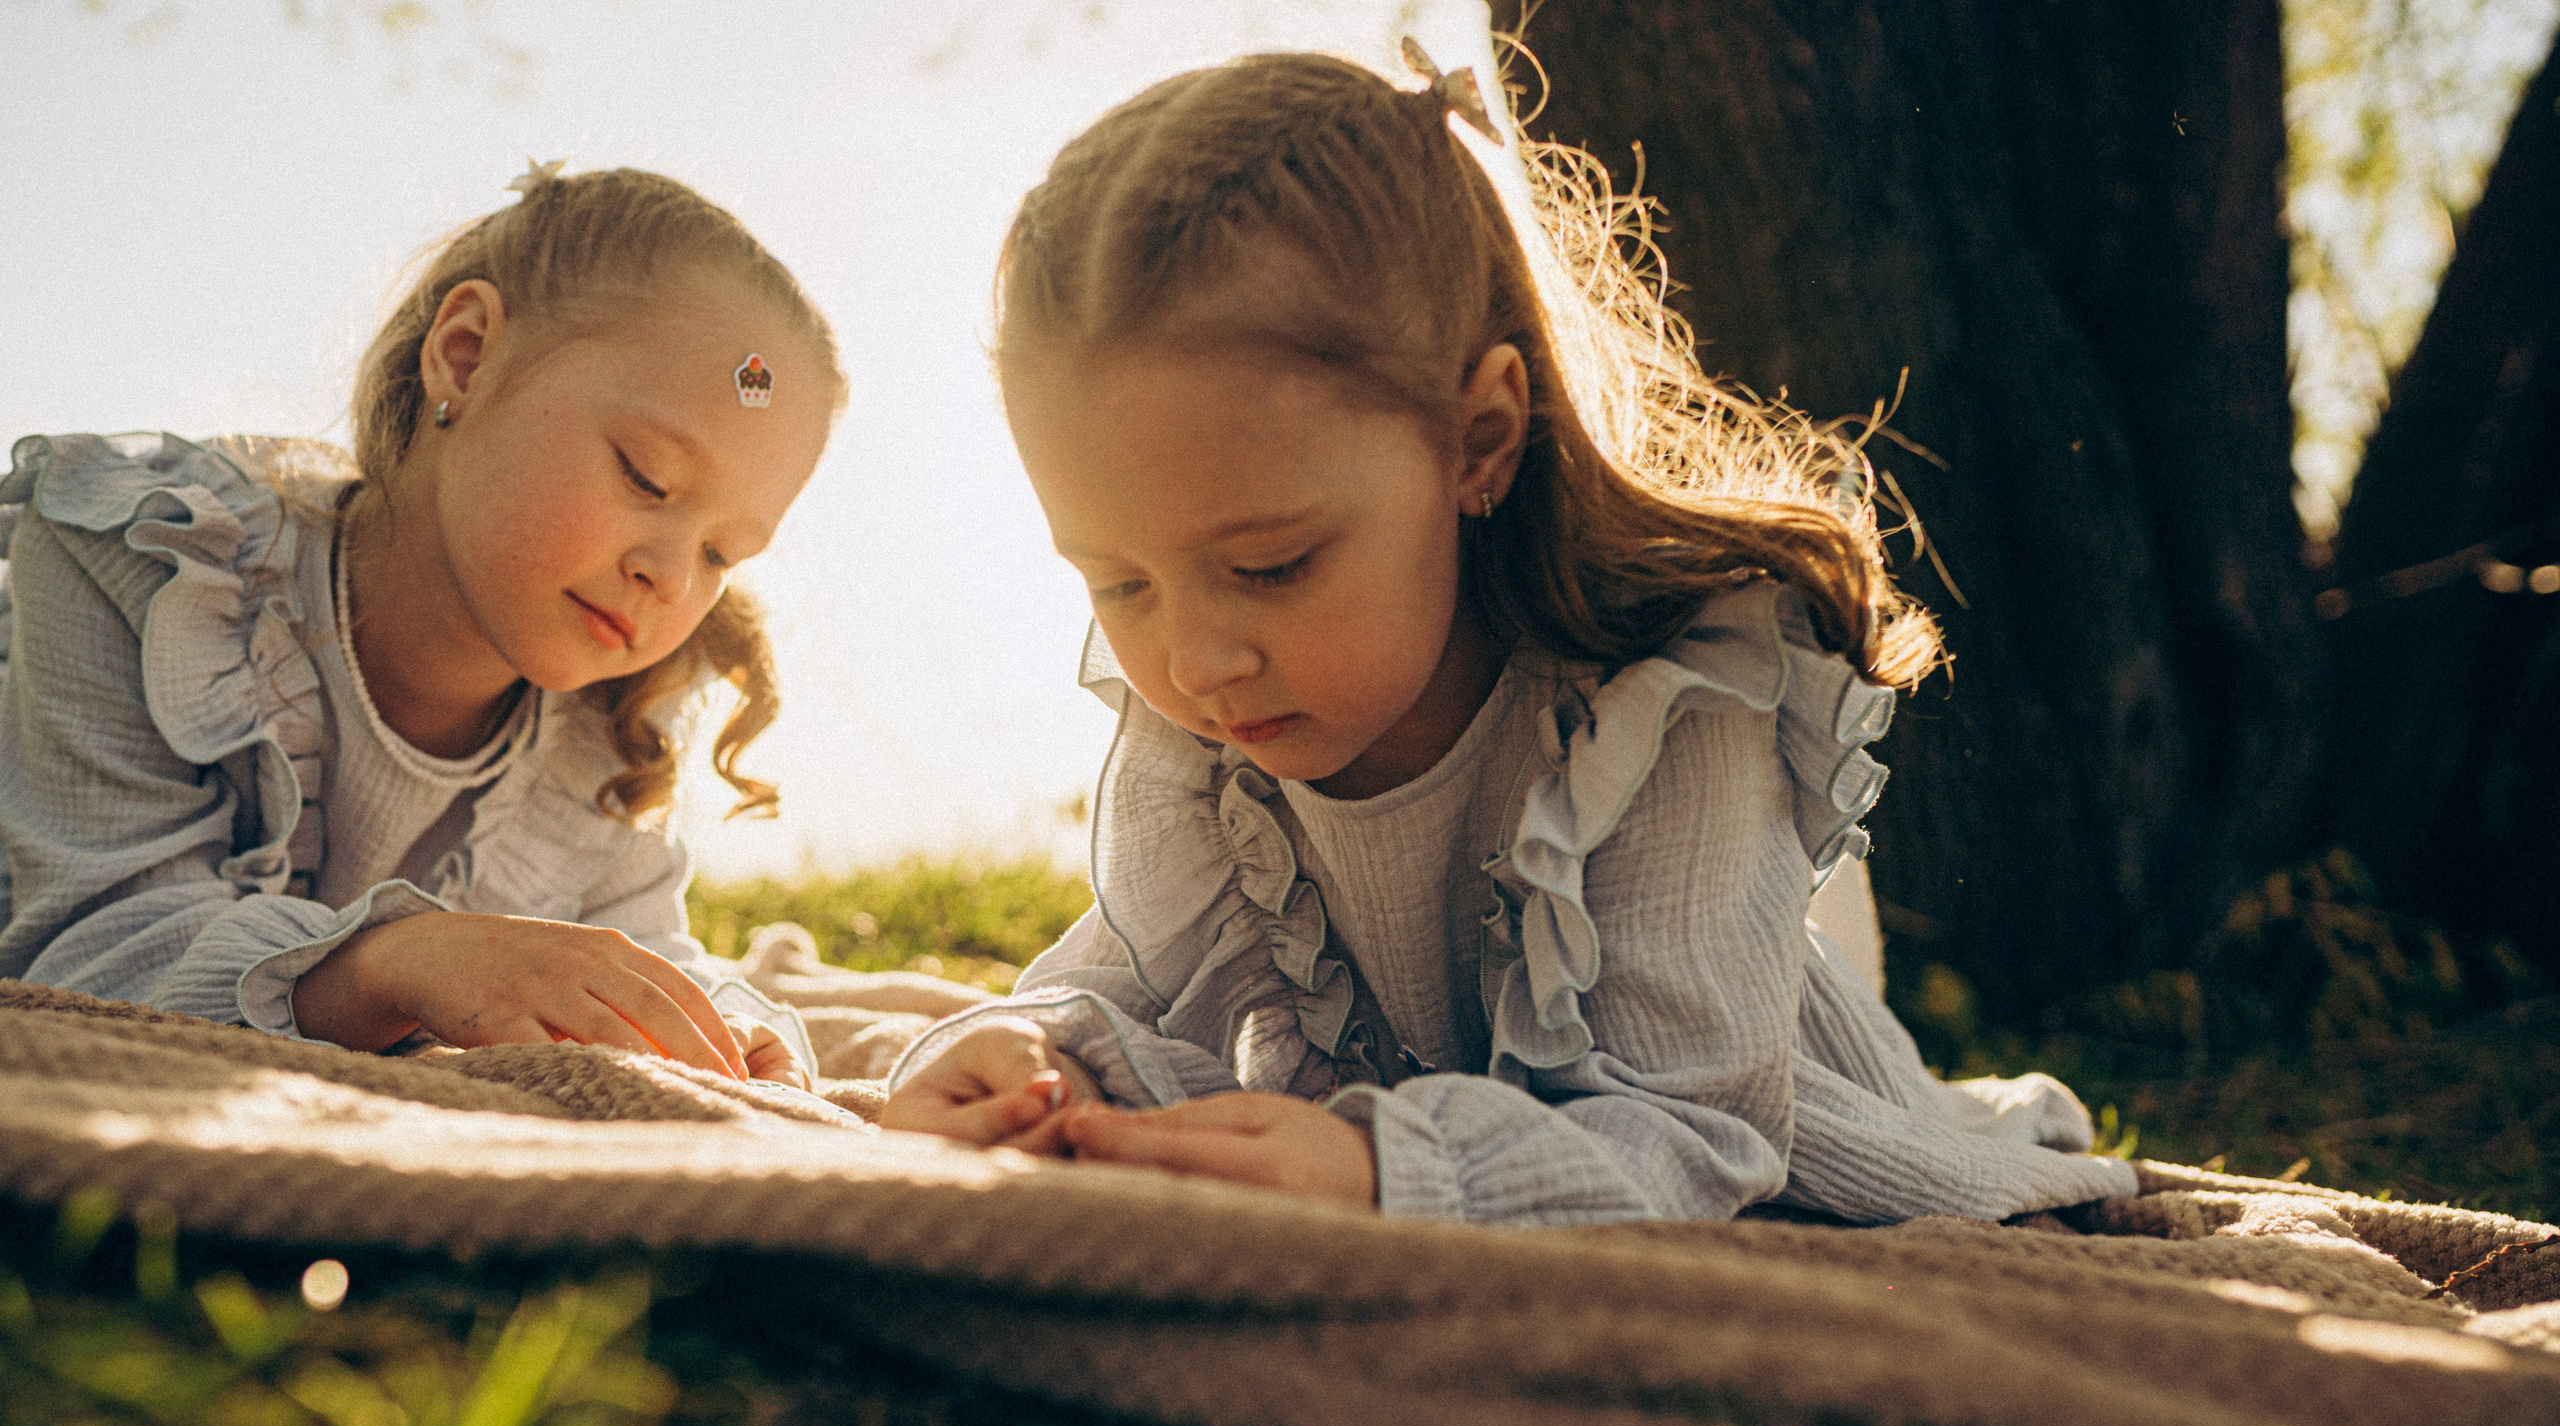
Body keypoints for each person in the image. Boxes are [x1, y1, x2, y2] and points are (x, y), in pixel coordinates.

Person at [880, 48, 2138, 1226]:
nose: (1193, 662)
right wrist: (1013, 1063)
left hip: (1776, 1121)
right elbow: (1113, 987)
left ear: (1477, 442)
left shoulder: (1662, 710)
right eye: (1117, 584)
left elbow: (1690, 1122)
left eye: (1269, 566)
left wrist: (1388, 1163)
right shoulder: (1214, 738)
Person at [0, 164, 841, 1085]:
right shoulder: (150, 566)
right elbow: (86, 951)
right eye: (645, 476)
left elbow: (639, 952)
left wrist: (716, 1027)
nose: (671, 575)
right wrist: (404, 961)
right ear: (468, 353)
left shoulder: (611, 727)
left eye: (724, 554)